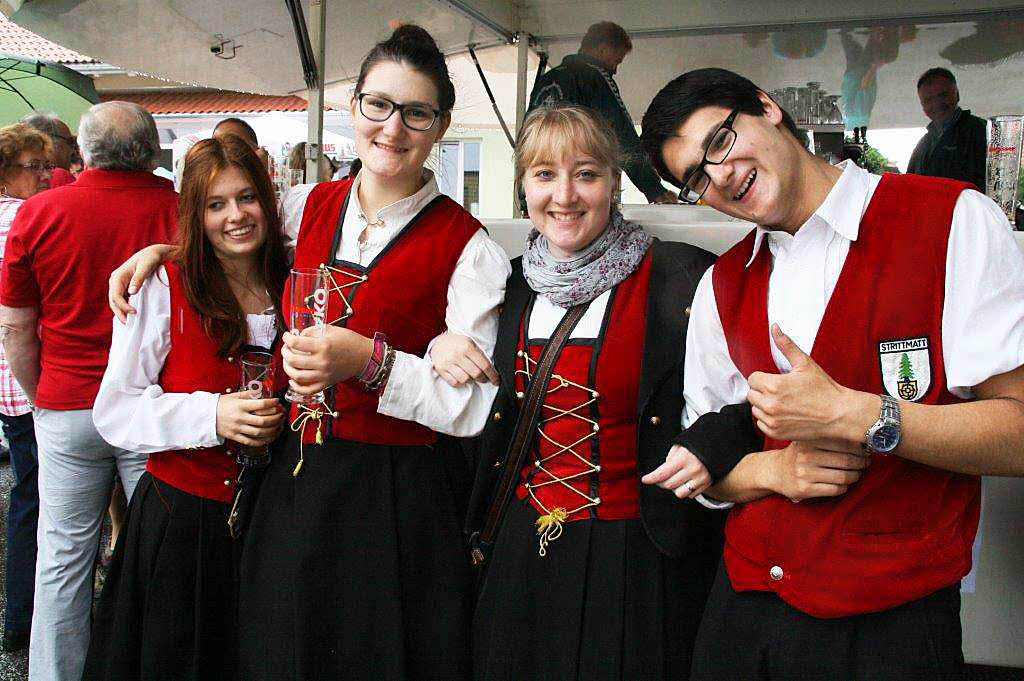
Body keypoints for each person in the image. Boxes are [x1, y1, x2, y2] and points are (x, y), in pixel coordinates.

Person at [106, 25, 510, 680]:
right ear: (354, 109)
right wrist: (166, 254)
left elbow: (470, 409)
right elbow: (237, 242)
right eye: (378, 105)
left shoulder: (469, 246)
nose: (393, 127)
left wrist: (372, 361)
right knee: (281, 648)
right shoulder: (306, 204)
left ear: (439, 126)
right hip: (292, 480)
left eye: (416, 112)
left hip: (393, 497)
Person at [641, 67, 1024, 679]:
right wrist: (775, 469)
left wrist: (859, 415)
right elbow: (703, 466)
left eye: (718, 142)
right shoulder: (723, 282)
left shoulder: (953, 220)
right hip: (742, 614)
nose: (720, 177)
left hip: (891, 619)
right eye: (695, 179)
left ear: (767, 108)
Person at [435, 105, 756, 680]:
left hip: (635, 554)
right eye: (544, 174)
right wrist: (440, 347)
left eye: (585, 173)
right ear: (522, 187)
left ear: (613, 183)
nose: (565, 195)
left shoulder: (681, 277)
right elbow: (458, 376)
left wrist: (711, 442)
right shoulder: (499, 283)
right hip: (521, 547)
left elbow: (745, 393)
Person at [82, 136, 287, 680]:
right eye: (215, 205)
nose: (237, 216)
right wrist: (211, 416)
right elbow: (116, 411)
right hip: (185, 525)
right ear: (194, 215)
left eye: (247, 198)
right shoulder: (163, 286)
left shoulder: (295, 277)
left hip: (278, 520)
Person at [0, 101, 179, 681]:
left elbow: (15, 325)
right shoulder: (181, 210)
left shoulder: (39, 213)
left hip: (67, 402)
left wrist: (41, 395)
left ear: (79, 152)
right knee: (162, 554)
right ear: (152, 151)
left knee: (63, 560)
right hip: (155, 405)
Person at [0, 122, 52, 654]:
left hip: (7, 384)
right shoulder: (22, 218)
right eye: (32, 167)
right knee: (36, 501)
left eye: (45, 166)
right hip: (31, 380)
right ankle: (24, 618)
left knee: (27, 495)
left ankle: (19, 617)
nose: (44, 175)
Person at [528, 22, 677, 204]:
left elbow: (526, 139)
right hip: (577, 188)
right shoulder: (594, 76)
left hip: (540, 190)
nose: (615, 69)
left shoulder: (547, 79)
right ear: (603, 49)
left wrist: (525, 196)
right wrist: (654, 189)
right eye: (617, 61)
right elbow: (621, 136)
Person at [907, 67, 987, 190]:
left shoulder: (982, 131)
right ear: (922, 105)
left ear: (957, 95)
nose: (936, 104)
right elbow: (909, 185)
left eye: (942, 95)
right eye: (928, 100)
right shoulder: (923, 145)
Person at [21, 111, 78, 188]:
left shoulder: (14, 175)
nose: (73, 150)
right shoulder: (58, 177)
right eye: (70, 142)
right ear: (47, 140)